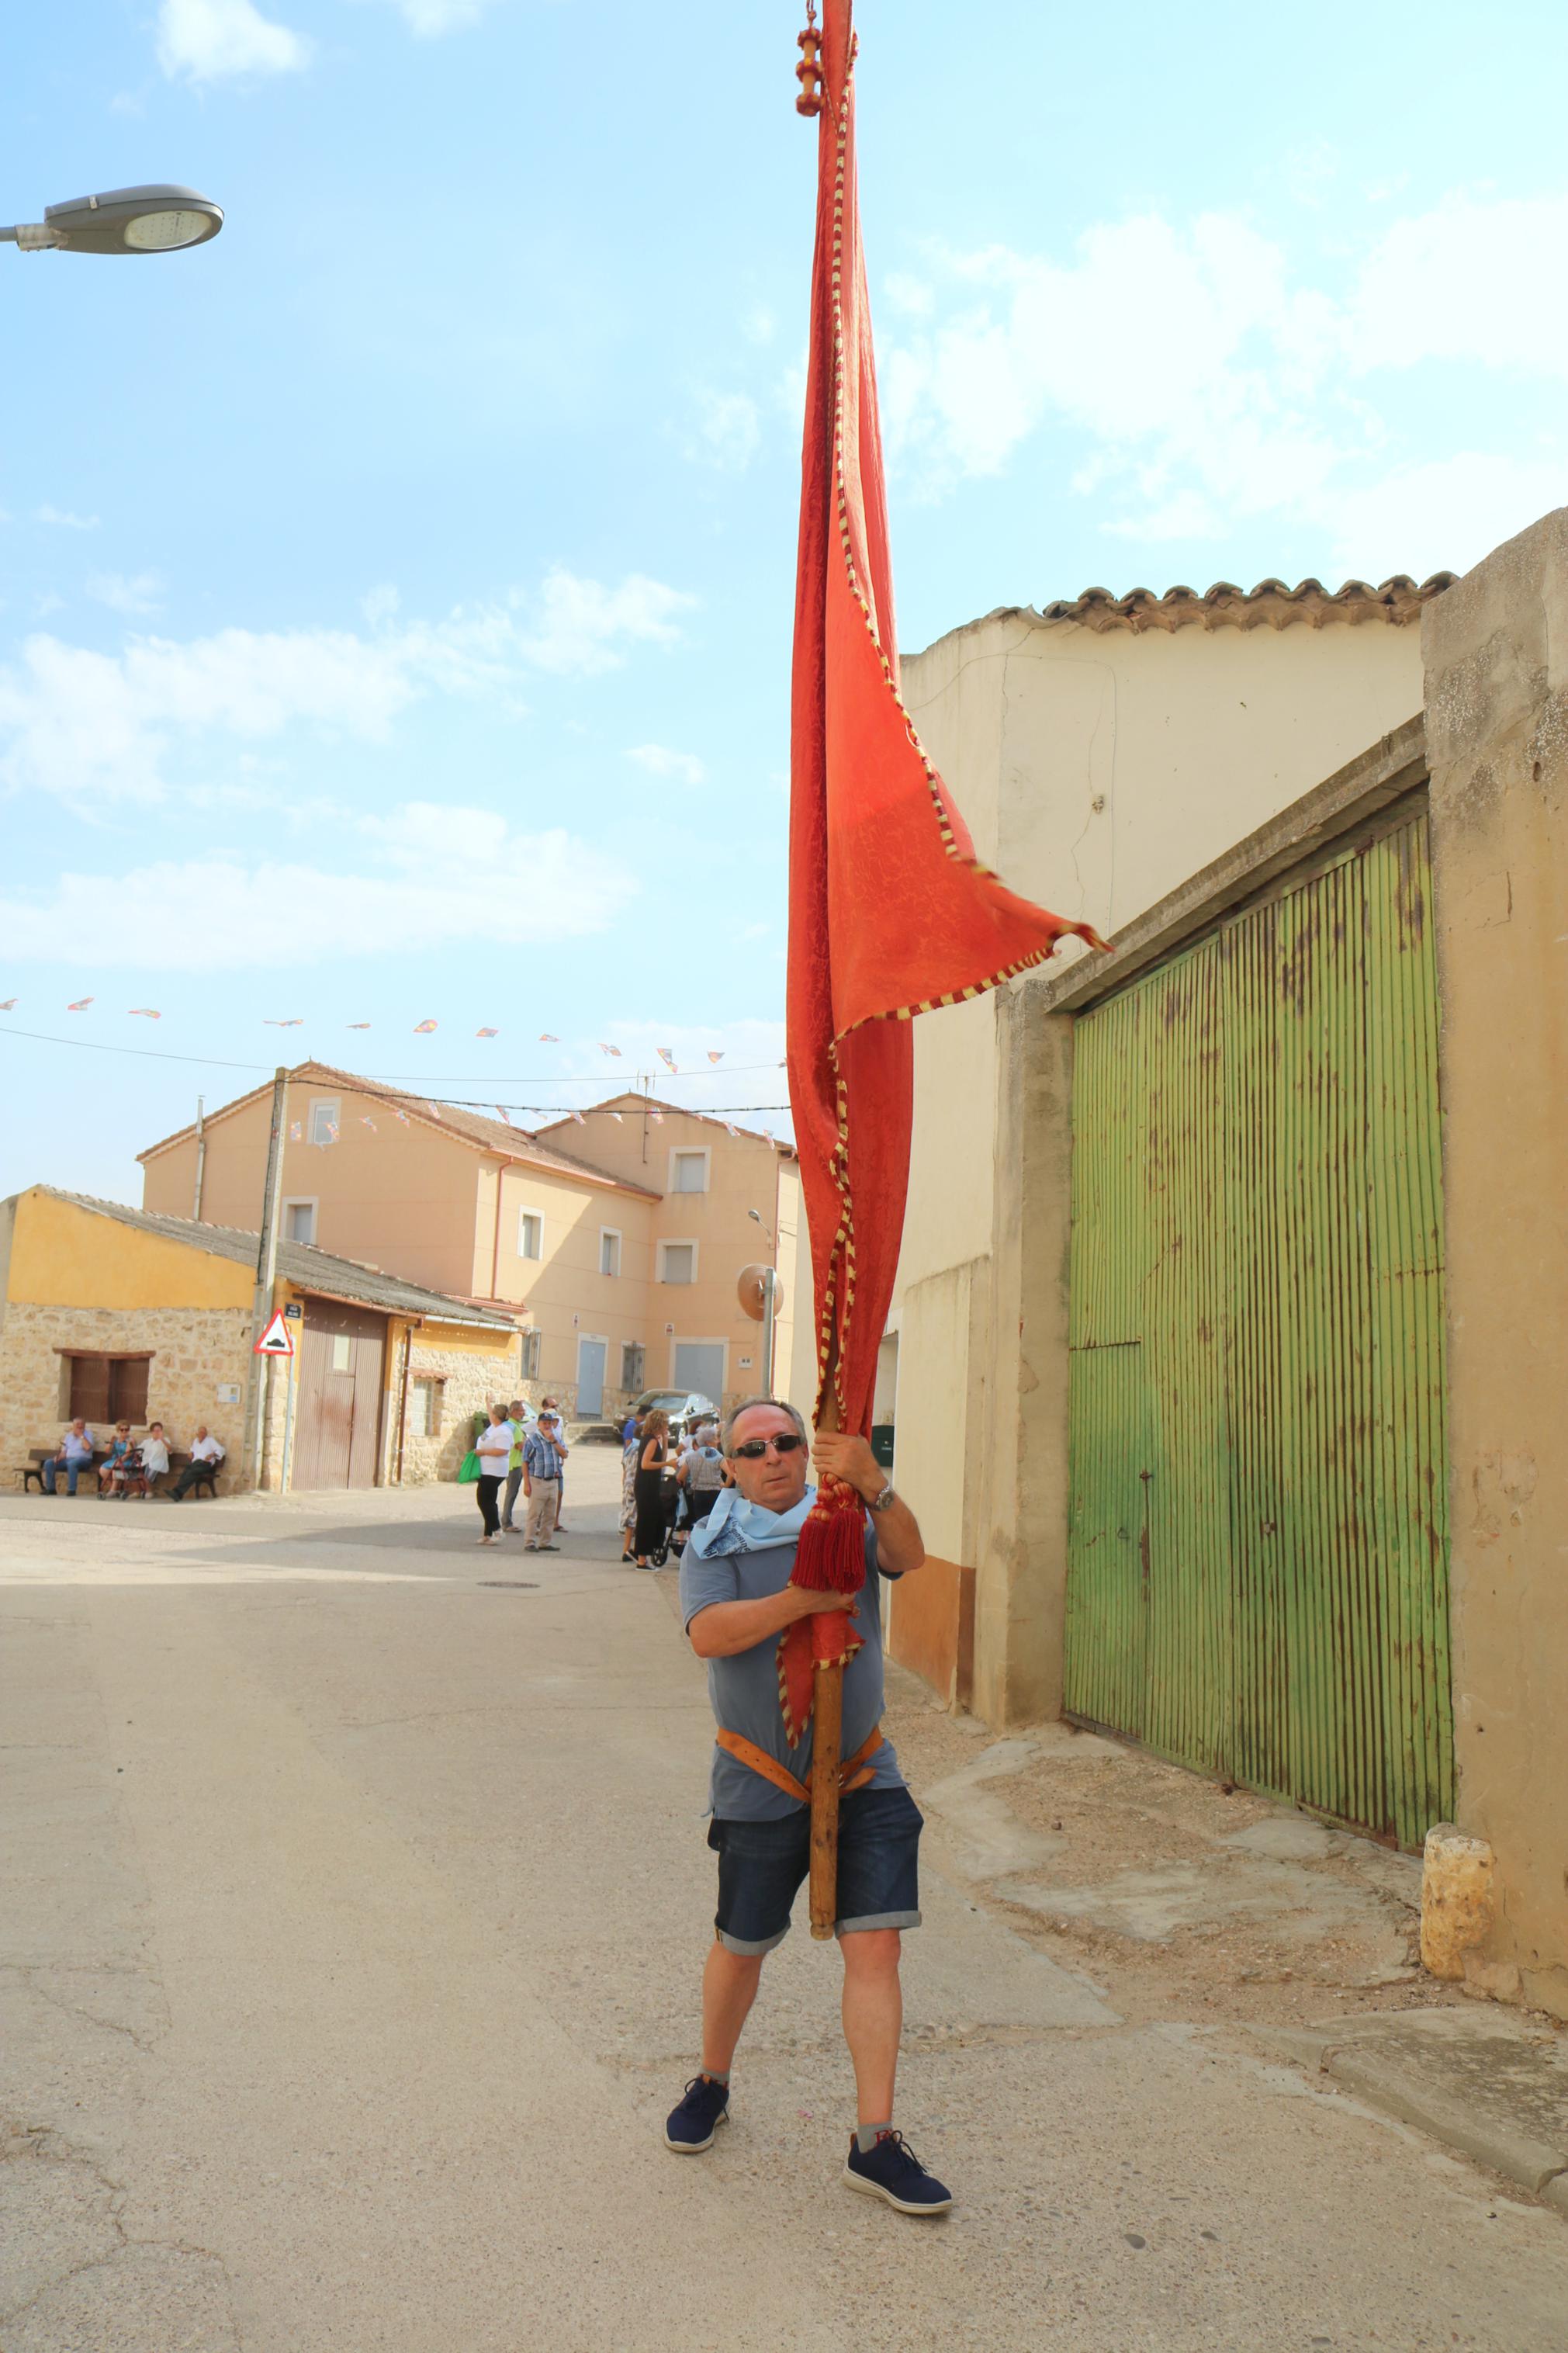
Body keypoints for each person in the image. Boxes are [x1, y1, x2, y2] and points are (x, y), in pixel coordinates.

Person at [664, 1396, 952, 2216]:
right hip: (760, 1783)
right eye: (753, 1449)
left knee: (876, 1950)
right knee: (742, 1944)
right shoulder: (716, 1539)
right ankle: (712, 2081)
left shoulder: (846, 1518)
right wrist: (803, 1599)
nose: (774, 1457)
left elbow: (910, 1556)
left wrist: (874, 1484)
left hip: (865, 1776)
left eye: (787, 1441)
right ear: (730, 1467)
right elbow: (709, 1634)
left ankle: (874, 2140)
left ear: (807, 1450)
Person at [521, 1409, 567, 1550]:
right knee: (534, 1514)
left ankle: (545, 1542)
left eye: (549, 1423)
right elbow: (525, 1462)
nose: (547, 1426)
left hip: (552, 1480)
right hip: (538, 1481)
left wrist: (553, 1440)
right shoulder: (532, 1440)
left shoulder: (556, 1438)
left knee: (550, 1515)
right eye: (544, 1423)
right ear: (539, 1424)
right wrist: (526, 1484)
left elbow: (564, 1454)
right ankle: (529, 1542)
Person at [632, 1408, 670, 1568]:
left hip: (651, 1485)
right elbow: (645, 1464)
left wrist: (666, 1441)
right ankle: (641, 1558)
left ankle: (645, 1551)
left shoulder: (654, 1439)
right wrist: (668, 1464)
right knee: (646, 1521)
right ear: (659, 1424)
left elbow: (661, 1458)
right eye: (665, 1424)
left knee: (658, 1518)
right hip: (646, 1485)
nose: (667, 1427)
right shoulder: (651, 1440)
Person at [473, 1402, 513, 1545]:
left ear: (497, 1416)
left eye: (492, 1414)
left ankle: (497, 1530)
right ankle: (487, 1534)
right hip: (487, 1469)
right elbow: (491, 1415)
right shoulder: (494, 1426)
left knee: (483, 1500)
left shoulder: (503, 1431)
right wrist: (488, 1402)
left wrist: (482, 1452)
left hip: (494, 1471)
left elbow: (503, 1450)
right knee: (489, 1501)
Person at [167, 1426, 226, 1500]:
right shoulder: (195, 1441)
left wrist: (212, 1455)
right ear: (197, 1434)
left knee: (192, 1472)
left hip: (205, 1464)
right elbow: (192, 1450)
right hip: (196, 1464)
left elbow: (221, 1450)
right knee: (186, 1471)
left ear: (206, 1434)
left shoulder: (210, 1440)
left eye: (204, 1432)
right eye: (200, 1432)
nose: (202, 1434)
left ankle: (177, 1492)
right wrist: (191, 1453)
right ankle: (178, 1494)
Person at [500, 1401, 533, 1535]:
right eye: (521, 1411)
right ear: (513, 1411)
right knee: (511, 1493)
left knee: (512, 1493)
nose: (524, 1413)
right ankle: (506, 1522)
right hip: (515, 1464)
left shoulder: (514, 1425)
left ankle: (507, 1521)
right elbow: (519, 1446)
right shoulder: (513, 1426)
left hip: (515, 1463)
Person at [42, 1418, 95, 1495]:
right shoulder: (69, 1436)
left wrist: (81, 1436)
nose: (80, 1427)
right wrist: (58, 1457)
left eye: (82, 1425)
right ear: (73, 1426)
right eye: (77, 1425)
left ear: (84, 1426)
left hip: (84, 1460)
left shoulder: (89, 1434)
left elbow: (87, 1448)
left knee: (72, 1463)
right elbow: (65, 1451)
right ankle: (51, 1489)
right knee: (49, 1463)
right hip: (68, 1459)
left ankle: (72, 1490)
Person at [539, 1395, 569, 1531]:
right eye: (553, 1406)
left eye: (556, 1406)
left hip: (557, 1467)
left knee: (559, 1493)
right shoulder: (536, 1435)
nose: (556, 1408)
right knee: (541, 1498)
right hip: (542, 1470)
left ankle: (554, 1522)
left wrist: (556, 1443)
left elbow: (564, 1451)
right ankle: (538, 1524)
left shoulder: (558, 1425)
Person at [619, 1411, 645, 1562]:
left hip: (628, 1484)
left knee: (630, 1518)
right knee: (635, 1519)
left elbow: (624, 1467)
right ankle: (629, 1550)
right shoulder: (639, 1449)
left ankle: (627, 1549)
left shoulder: (630, 1449)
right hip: (636, 1485)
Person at [127, 1423, 171, 1499]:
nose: (158, 1433)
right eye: (156, 1431)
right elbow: (138, 1451)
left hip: (157, 1463)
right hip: (145, 1462)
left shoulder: (165, 1440)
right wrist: (131, 1444)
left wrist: (162, 1439)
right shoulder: (146, 1442)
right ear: (152, 1432)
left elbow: (170, 1450)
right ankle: (137, 1492)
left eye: (159, 1431)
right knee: (133, 1471)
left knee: (148, 1470)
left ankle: (149, 1491)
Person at [98, 1421, 134, 1495]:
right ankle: (115, 1487)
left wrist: (120, 1460)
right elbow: (107, 1451)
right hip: (115, 1459)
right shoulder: (116, 1440)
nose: (124, 1431)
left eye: (126, 1429)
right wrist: (111, 1442)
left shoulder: (131, 1440)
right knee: (103, 1469)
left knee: (115, 1467)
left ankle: (113, 1490)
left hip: (127, 1460)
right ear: (118, 1430)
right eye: (122, 1430)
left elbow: (129, 1453)